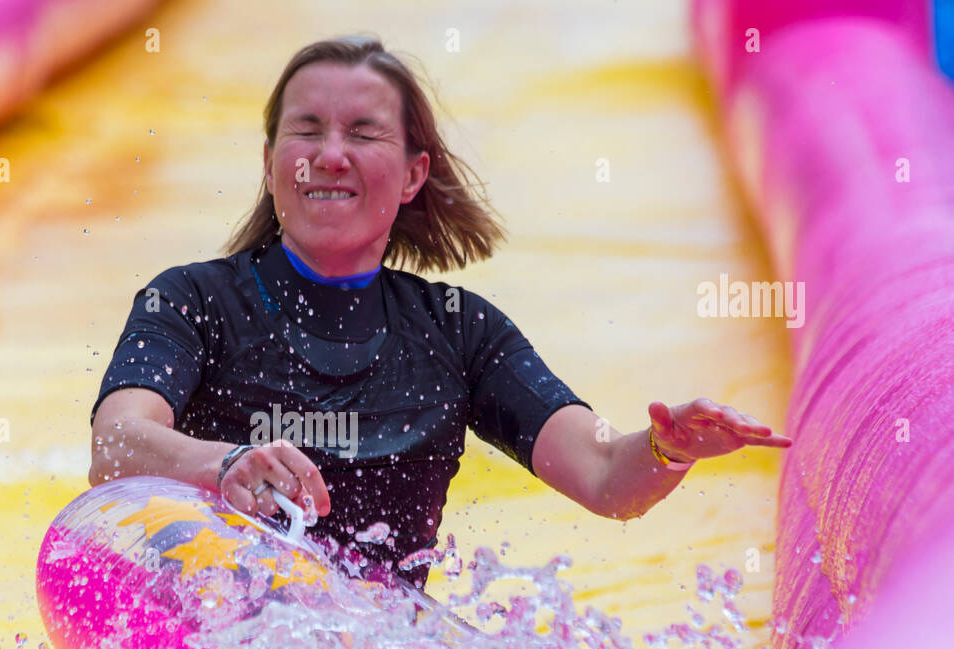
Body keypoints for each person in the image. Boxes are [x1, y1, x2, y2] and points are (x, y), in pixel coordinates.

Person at [88, 35, 792, 590]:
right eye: (307, 132)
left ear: (414, 174)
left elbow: (606, 475)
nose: (330, 156)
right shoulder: (190, 300)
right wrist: (227, 463)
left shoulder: (458, 332)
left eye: (363, 134)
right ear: (272, 163)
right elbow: (116, 444)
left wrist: (668, 448)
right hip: (216, 631)